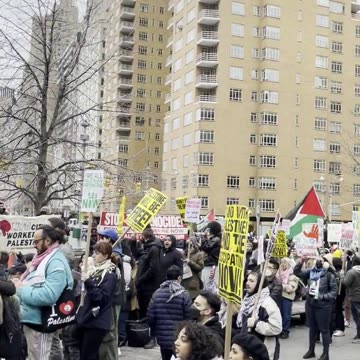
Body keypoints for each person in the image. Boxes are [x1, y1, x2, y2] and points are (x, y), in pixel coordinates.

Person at [16, 225, 73, 360]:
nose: (34, 245)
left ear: (47, 241)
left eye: (36, 241)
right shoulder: (43, 258)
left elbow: (48, 296)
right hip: (34, 320)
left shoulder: (55, 262)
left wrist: (20, 289)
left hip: (40, 323)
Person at [76, 241, 118, 360]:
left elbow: (101, 297)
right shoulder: (93, 270)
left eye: (98, 253)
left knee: (89, 355)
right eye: (94, 252)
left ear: (105, 255)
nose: (94, 256)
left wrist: (89, 281)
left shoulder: (109, 274)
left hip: (97, 320)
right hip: (87, 317)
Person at [294, 256, 337, 360]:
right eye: (317, 260)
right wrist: (302, 261)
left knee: (324, 330)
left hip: (323, 307)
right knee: (312, 329)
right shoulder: (310, 272)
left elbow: (334, 292)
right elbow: (297, 272)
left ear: (325, 263)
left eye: (321, 261)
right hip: (310, 305)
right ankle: (311, 350)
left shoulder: (329, 275)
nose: (318, 262)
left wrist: (322, 296)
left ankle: (325, 354)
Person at [147, 265, 192, 360]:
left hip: (162, 337)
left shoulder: (157, 293)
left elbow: (150, 316)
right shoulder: (184, 295)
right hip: (179, 338)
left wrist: (154, 332)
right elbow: (189, 317)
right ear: (179, 278)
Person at [234, 271, 282, 360]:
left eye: (252, 281)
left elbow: (277, 328)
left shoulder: (268, 304)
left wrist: (256, 324)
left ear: (260, 284)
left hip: (263, 350)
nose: (247, 283)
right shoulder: (246, 301)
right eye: (247, 280)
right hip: (248, 350)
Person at [96, 229, 125, 359]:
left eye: (103, 237)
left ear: (109, 240)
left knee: (111, 331)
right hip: (110, 298)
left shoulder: (116, 256)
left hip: (113, 299)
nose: (100, 239)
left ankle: (112, 354)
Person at [135, 227, 161, 349]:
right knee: (144, 311)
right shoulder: (149, 247)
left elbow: (153, 268)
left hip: (148, 287)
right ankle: (144, 336)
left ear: (145, 236)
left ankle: (151, 337)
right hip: (144, 286)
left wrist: (141, 279)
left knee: (149, 312)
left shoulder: (154, 248)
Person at [278, 257, 299, 339]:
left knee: (286, 315)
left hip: (287, 297)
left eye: (285, 262)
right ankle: (279, 330)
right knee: (279, 314)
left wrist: (280, 285)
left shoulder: (292, 276)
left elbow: (290, 288)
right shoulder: (278, 274)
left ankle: (285, 331)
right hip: (278, 296)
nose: (283, 264)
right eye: (282, 262)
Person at [343, 256, 360, 343]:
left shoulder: (351, 272)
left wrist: (342, 278)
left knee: (357, 317)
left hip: (354, 296)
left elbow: (346, 283)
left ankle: (359, 335)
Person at [200, 221, 221, 291]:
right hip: (209, 264)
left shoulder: (216, 239)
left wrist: (205, 238)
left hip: (212, 265)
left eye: (209, 229)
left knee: (210, 287)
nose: (207, 231)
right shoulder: (213, 239)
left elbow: (205, 247)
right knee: (206, 285)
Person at [331, 257, 346, 337]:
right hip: (337, 293)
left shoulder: (340, 274)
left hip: (340, 294)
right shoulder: (337, 273)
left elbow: (342, 284)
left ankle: (340, 328)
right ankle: (337, 327)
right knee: (336, 310)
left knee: (338, 310)